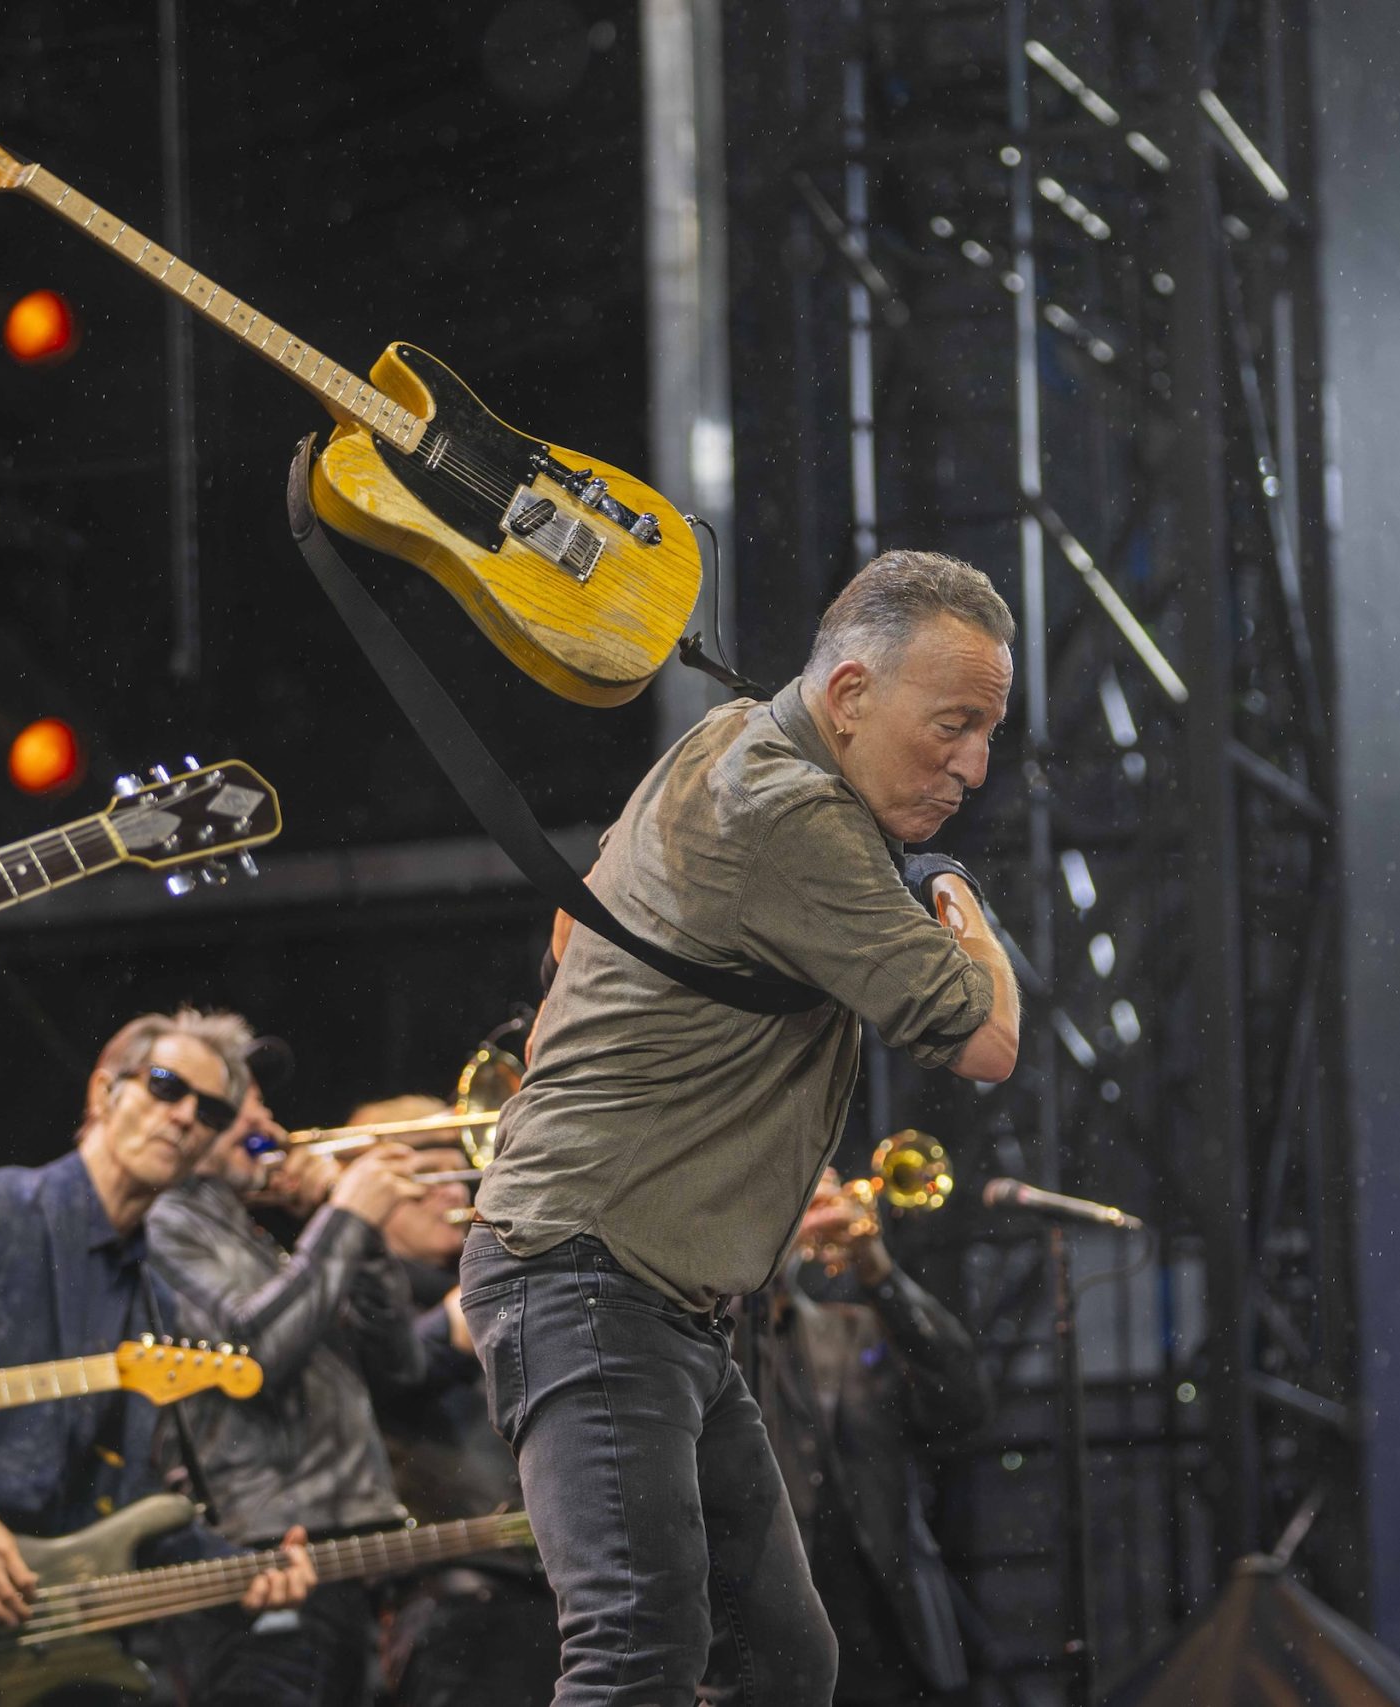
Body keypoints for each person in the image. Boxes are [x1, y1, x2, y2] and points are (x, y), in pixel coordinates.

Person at [465, 550, 1024, 1706]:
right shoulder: (788, 807)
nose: (973, 765)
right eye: (954, 726)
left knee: (777, 1664)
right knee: (636, 1651)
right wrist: (950, 889)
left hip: (645, 1295)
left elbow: (574, 943)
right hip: (587, 1277)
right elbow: (984, 1040)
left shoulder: (722, 744)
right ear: (851, 694)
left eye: (986, 735)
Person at [0, 1010, 315, 1702]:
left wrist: (245, 1574)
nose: (186, 1116)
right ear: (103, 1093)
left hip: (56, 1644)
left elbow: (130, 1507)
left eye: (211, 1109)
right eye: (164, 1086)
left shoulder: (156, 1298)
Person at [141, 1018, 430, 1707]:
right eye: (241, 1098)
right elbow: (254, 1353)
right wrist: (345, 1219)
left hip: (332, 1559)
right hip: (260, 1563)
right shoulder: (167, 1220)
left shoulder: (251, 1234)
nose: (266, 1117)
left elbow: (398, 1361)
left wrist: (349, 1224)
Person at [741, 1172, 991, 1706]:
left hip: (892, 1646)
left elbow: (962, 1403)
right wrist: (769, 1231)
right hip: (768, 1651)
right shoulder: (717, 1338)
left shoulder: (856, 1330)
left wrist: (878, 1270)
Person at [362, 1101, 563, 1707]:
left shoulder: (470, 1277)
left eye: (458, 1171)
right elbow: (380, 1377)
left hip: (546, 1590)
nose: (453, 1189)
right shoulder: (357, 1288)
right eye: (425, 1177)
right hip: (455, 1607)